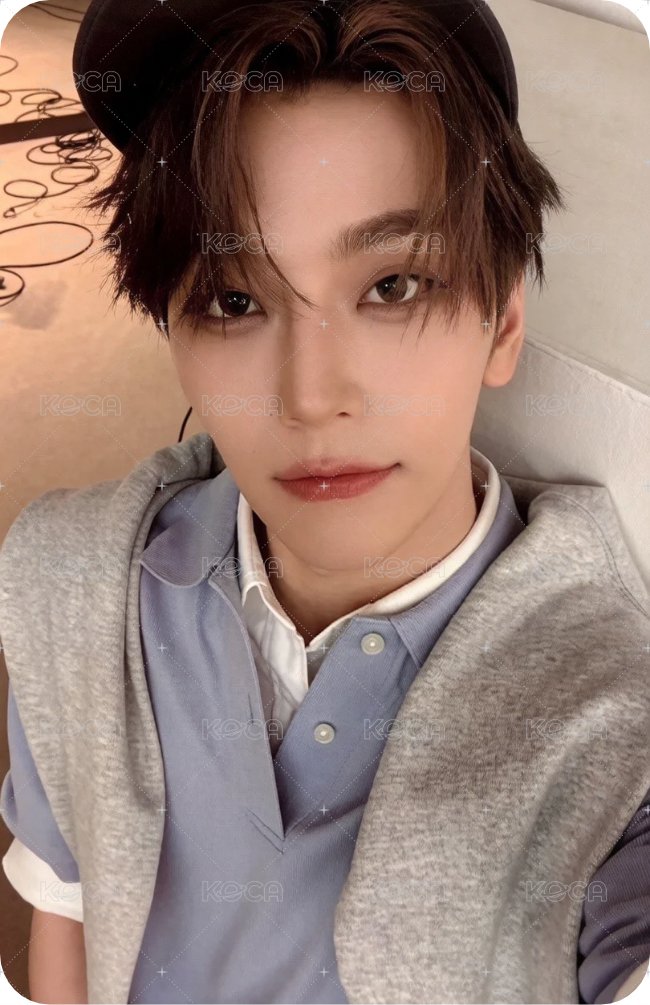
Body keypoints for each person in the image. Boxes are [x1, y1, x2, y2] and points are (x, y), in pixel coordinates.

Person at [1, 1, 649, 1003]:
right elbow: (70, 912)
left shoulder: (615, 729)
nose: (309, 398)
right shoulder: (65, 582)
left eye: (393, 286)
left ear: (502, 321)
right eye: (233, 300)